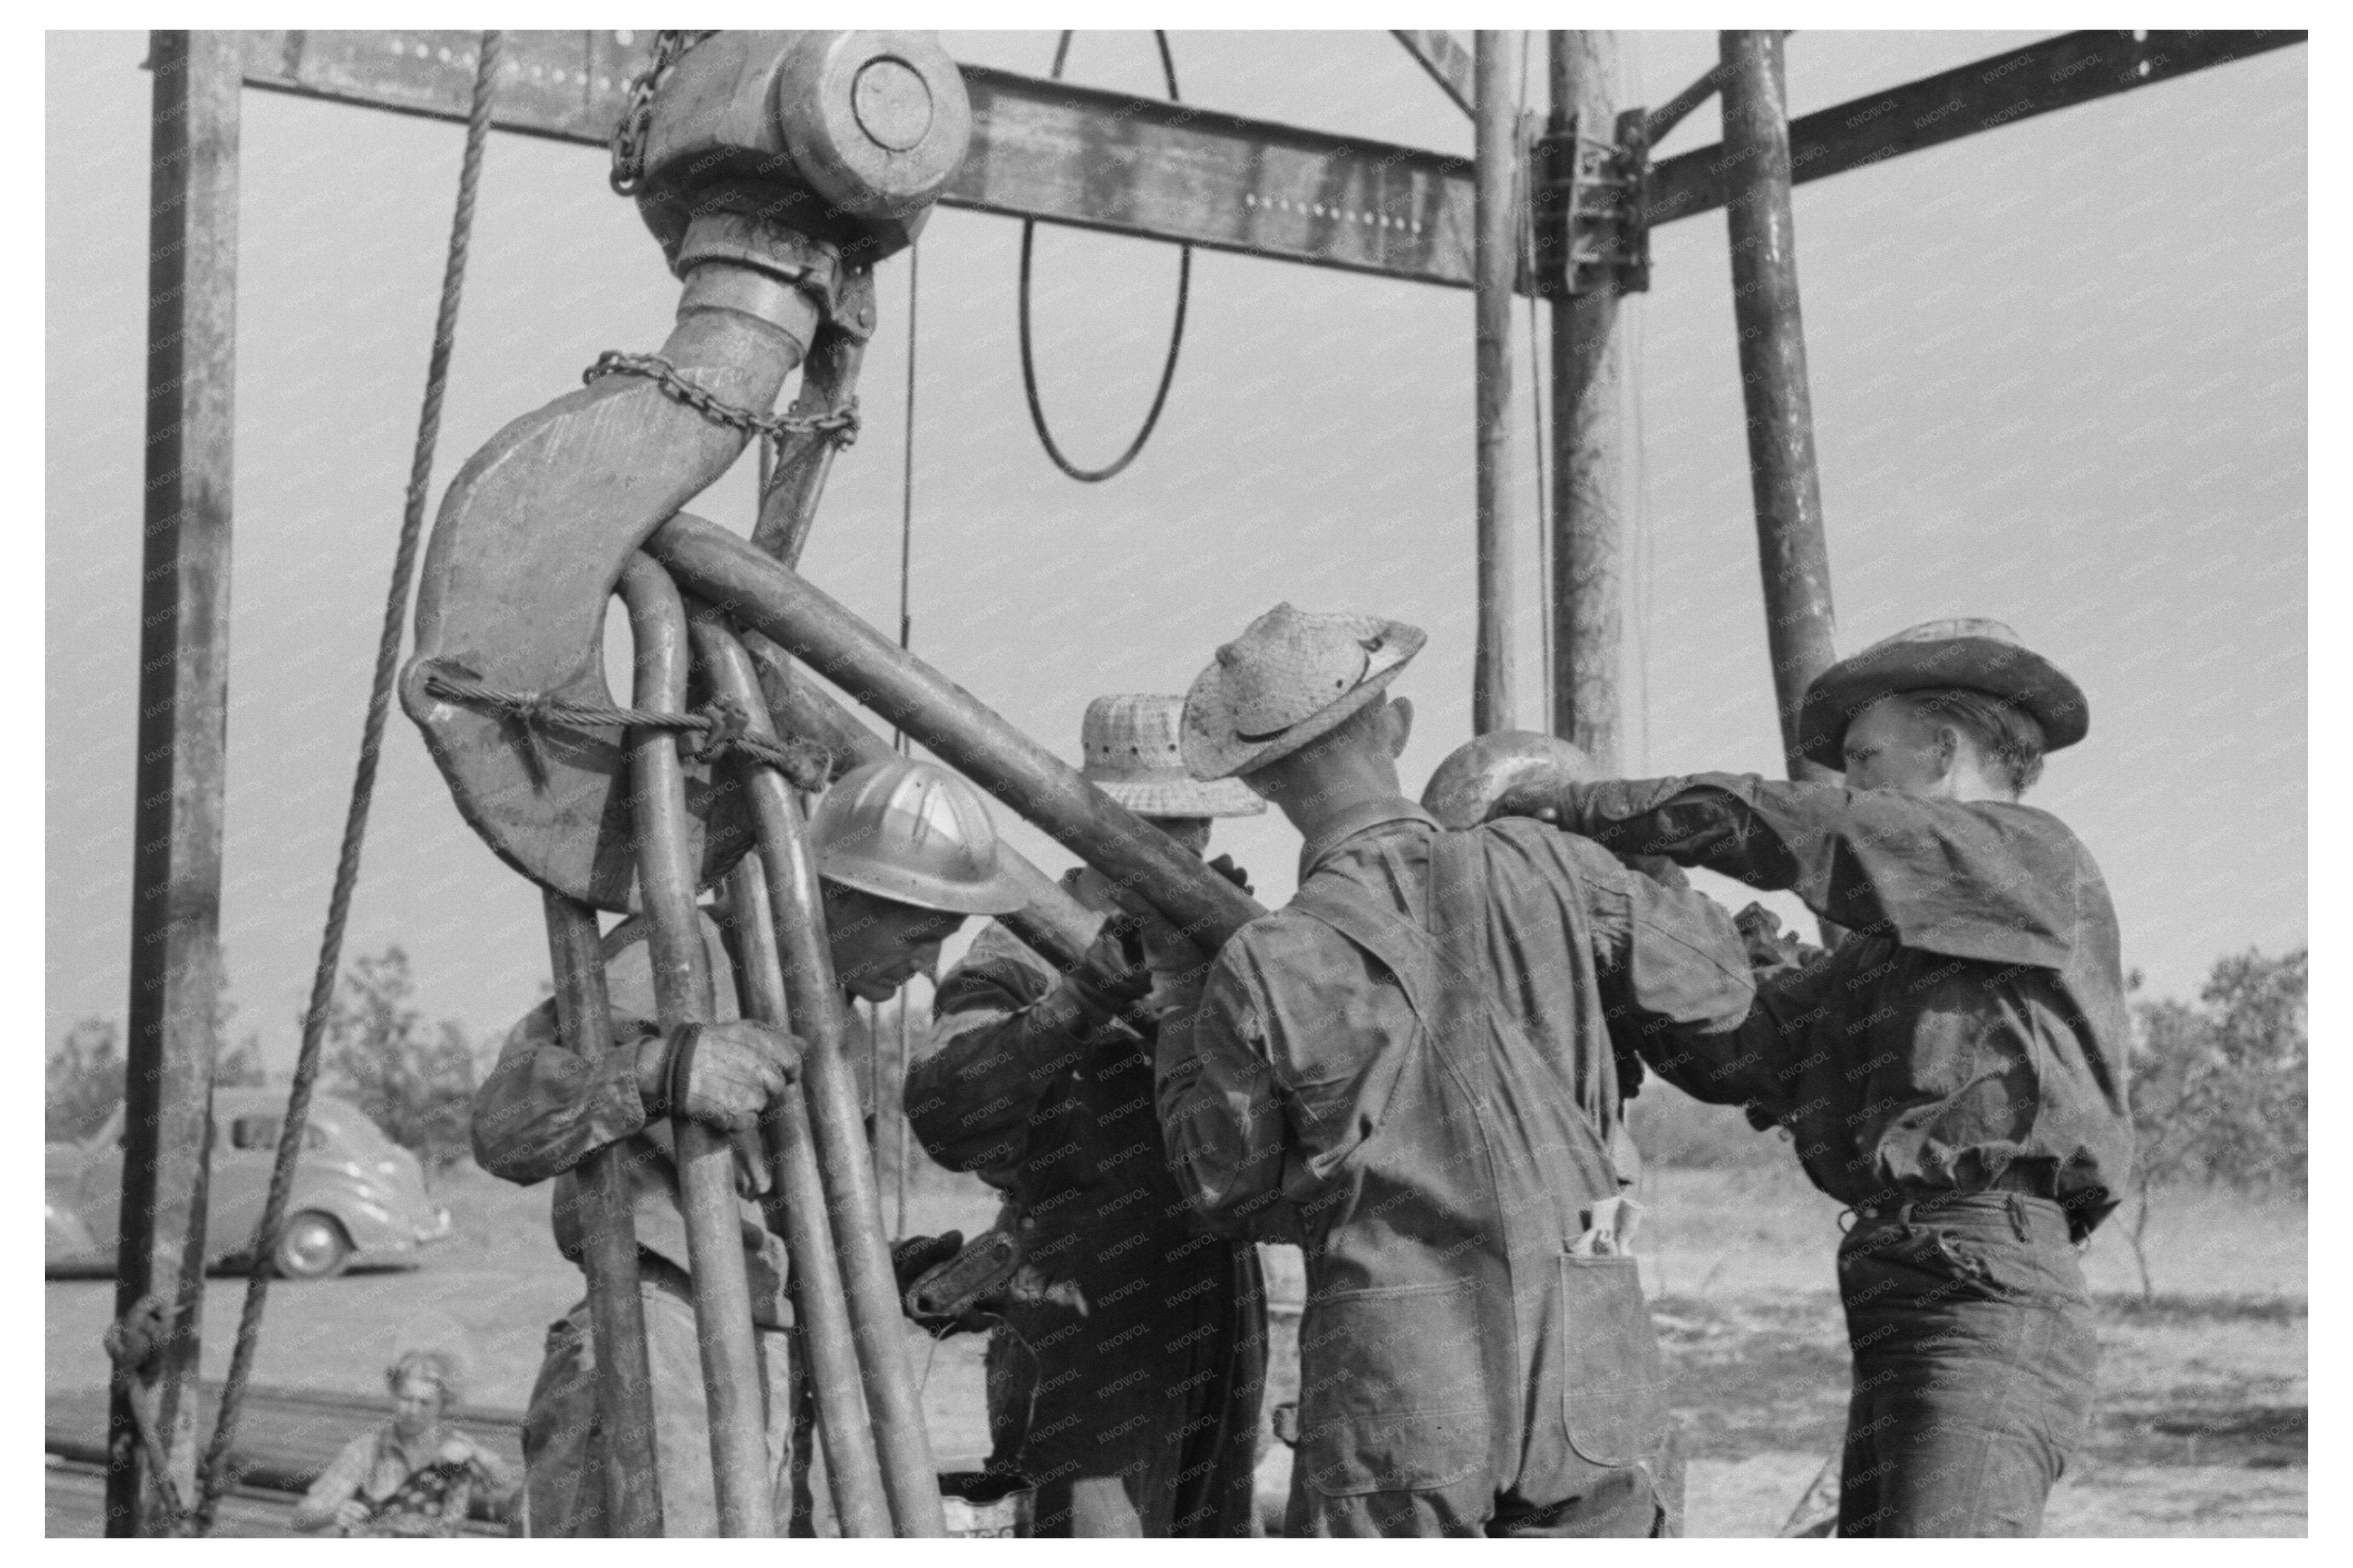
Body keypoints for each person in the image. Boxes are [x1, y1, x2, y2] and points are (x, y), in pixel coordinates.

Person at [1493, 618, 2131, 1538]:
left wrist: (1585, 809)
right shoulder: (1889, 957)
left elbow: (1808, 830)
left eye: (1868, 760)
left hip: (1989, 1288)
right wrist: (1635, 913)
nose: (1854, 786)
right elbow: (1745, 1051)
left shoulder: (2031, 856)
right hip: (1909, 1289)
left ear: (1943, 749)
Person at [1154, 603, 1759, 1538]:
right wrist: (1648, 876)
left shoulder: (1268, 961)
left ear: (1262, 783)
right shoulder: (1557, 870)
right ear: (1394, 728)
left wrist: (1173, 998)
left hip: (1398, 1376)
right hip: (1585, 1348)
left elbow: (1224, 1190)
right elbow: (1723, 994)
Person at [471, 756, 1029, 1537]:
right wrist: (661, 1069)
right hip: (663, 1353)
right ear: (841, 895)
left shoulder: (837, 1019)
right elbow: (504, 1124)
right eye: (920, 935)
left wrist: (876, 1271)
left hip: (790, 1362)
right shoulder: (684, 953)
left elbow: (775, 1212)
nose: (927, 967)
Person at [904, 694, 1269, 1537]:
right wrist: (1078, 1002)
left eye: (1196, 825)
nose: (1185, 847)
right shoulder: (1015, 953)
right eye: (1162, 823)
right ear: (1096, 830)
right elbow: (946, 1114)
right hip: (1079, 1300)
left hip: (1217, 1289)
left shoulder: (1220, 941)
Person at [293, 1348, 518, 1537]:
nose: (413, 1411)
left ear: (443, 1406)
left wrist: (477, 1454)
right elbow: (301, 1518)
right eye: (406, 1399)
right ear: (394, 1396)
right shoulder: (369, 1450)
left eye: (425, 1403)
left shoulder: (456, 1449)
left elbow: (514, 1491)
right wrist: (335, 1513)